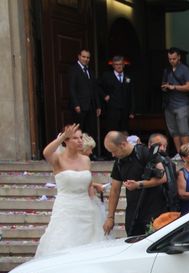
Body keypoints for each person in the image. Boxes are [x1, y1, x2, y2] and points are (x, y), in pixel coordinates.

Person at [35, 124, 104, 257]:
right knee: (64, 241)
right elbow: (46, 152)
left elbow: (87, 183)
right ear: (66, 141)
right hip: (66, 207)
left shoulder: (86, 159)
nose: (79, 141)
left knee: (88, 245)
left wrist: (95, 196)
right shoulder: (58, 158)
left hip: (85, 208)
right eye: (74, 138)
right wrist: (62, 137)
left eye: (80, 138)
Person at [103, 131, 168, 236]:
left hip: (153, 209)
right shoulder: (119, 162)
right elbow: (115, 190)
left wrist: (139, 184)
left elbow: (163, 177)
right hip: (133, 212)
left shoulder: (144, 152)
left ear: (123, 144)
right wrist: (110, 217)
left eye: (114, 151)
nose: (113, 154)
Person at [161, 47, 189, 157]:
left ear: (179, 57)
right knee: (174, 131)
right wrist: (165, 87)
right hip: (169, 104)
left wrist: (174, 87)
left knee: (184, 130)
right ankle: (179, 153)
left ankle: (188, 154)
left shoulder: (185, 69)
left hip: (182, 104)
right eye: (170, 59)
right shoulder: (167, 69)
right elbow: (165, 84)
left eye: (174, 59)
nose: (172, 61)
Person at [68, 49, 101, 142]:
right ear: (79, 57)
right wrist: (76, 104)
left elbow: (95, 89)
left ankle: (91, 152)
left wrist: (98, 105)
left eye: (88, 57)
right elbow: (72, 88)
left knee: (91, 130)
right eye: (84, 57)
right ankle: (78, 153)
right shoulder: (74, 70)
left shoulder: (90, 71)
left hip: (91, 105)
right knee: (79, 130)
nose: (86, 59)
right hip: (80, 106)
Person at [99, 55, 134, 133]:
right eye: (116, 64)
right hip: (112, 110)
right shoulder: (106, 75)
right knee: (112, 133)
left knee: (124, 132)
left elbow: (131, 94)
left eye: (120, 64)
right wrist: (104, 95)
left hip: (125, 111)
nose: (119, 66)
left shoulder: (128, 77)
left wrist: (132, 111)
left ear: (123, 65)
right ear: (113, 65)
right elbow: (98, 87)